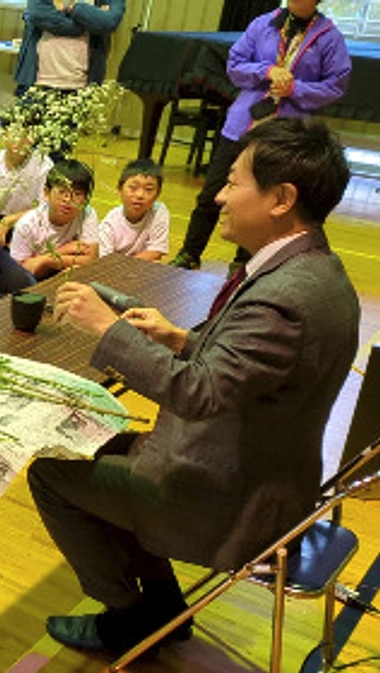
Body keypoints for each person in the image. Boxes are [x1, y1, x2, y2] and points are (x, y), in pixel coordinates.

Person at [33, 116, 359, 655]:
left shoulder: (284, 299)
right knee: (91, 449)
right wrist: (179, 338)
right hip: (260, 472)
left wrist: (107, 329)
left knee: (50, 474)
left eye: (232, 183)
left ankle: (128, 618)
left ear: (281, 199)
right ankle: (163, 610)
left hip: (230, 499)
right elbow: (249, 373)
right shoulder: (316, 270)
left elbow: (199, 394)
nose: (219, 197)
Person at [170, 0, 350, 270]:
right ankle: (190, 253)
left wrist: (296, 89)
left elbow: (335, 87)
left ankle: (243, 265)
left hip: (283, 136)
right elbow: (235, 66)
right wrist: (266, 71)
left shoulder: (329, 37)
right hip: (242, 126)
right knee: (212, 194)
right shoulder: (263, 24)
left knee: (262, 203)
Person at [9, 158, 99, 279]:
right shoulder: (27, 224)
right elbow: (20, 274)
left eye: (77, 194)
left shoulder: (87, 214)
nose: (68, 200)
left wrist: (46, 260)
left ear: (86, 199)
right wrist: (64, 251)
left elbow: (91, 260)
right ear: (47, 193)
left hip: (66, 276)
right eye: (62, 192)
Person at [13, 0, 125, 95]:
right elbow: (38, 13)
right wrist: (87, 23)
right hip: (36, 81)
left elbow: (109, 23)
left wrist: (73, 8)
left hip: (82, 87)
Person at [0, 126, 53, 247]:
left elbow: (45, 208)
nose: (20, 140)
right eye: (16, 133)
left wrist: (9, 221)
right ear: (5, 133)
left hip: (27, 222)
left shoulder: (43, 166)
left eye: (26, 135)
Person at [97, 159, 169, 261]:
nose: (140, 195)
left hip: (139, 267)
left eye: (148, 189)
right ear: (119, 189)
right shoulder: (109, 225)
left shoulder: (159, 211)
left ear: (158, 194)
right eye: (133, 188)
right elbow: (104, 261)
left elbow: (156, 251)